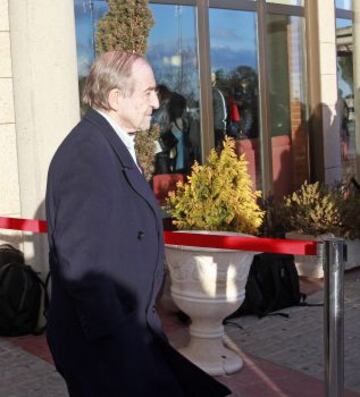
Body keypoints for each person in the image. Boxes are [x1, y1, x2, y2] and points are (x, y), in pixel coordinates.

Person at [45, 51, 231, 397]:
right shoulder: (87, 153)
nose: (156, 102)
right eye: (147, 92)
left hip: (129, 331)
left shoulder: (109, 143)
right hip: (107, 345)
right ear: (116, 98)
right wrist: (122, 342)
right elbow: (83, 266)